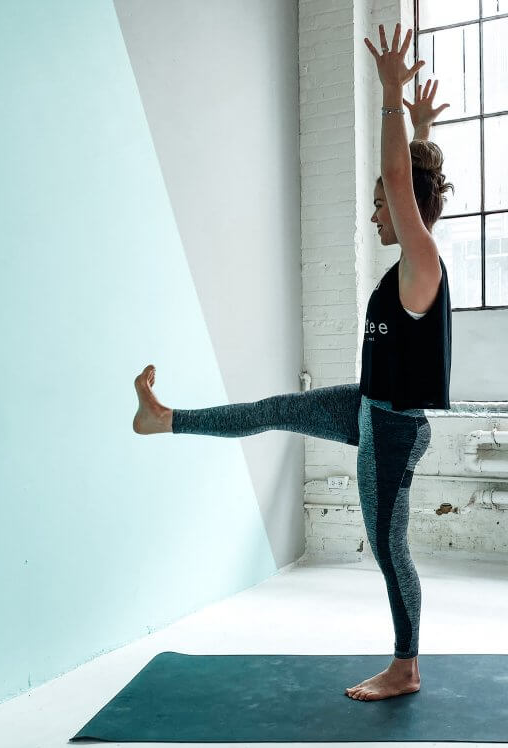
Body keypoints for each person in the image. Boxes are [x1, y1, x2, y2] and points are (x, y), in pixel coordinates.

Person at [131, 22, 453, 702]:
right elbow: (411, 179)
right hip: (367, 405)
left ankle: (406, 667)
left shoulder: (422, 262)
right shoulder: (412, 261)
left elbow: (402, 180)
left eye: (380, 206)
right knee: (274, 409)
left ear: (404, 209)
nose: (376, 215)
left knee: (388, 548)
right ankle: (164, 418)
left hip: (391, 428)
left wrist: (389, 97)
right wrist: (421, 127)